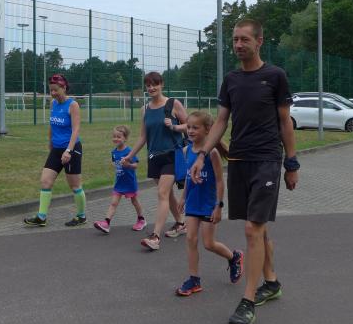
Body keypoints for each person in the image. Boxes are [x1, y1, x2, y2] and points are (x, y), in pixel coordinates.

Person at [189, 19, 299, 324]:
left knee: (252, 229)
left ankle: (248, 301)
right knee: (258, 228)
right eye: (235, 39)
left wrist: (291, 163)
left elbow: (285, 122)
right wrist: (201, 154)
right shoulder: (231, 80)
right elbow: (221, 121)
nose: (238, 44)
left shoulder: (275, 76)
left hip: (266, 160)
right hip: (238, 160)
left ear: (259, 41)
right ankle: (271, 282)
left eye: (244, 39)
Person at [175, 111, 243, 297]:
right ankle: (194, 280)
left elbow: (220, 182)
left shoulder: (212, 153)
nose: (190, 131)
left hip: (208, 204)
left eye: (195, 128)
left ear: (208, 130)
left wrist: (218, 206)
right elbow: (188, 177)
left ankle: (234, 257)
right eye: (188, 127)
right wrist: (183, 197)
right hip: (192, 203)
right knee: (190, 239)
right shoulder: (187, 150)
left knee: (208, 243)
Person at [121, 72, 187, 251]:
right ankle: (181, 223)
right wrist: (130, 156)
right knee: (167, 194)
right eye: (148, 85)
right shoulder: (145, 109)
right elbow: (143, 136)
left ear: (162, 84)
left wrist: (174, 126)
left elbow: (190, 126)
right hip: (154, 157)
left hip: (172, 155)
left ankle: (155, 236)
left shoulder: (173, 104)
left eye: (154, 84)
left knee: (162, 193)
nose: (151, 88)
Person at [23, 74, 87, 227]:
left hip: (71, 149)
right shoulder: (53, 104)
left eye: (55, 90)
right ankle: (41, 217)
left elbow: (76, 130)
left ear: (64, 88)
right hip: (56, 148)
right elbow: (52, 125)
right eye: (50, 90)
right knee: (45, 181)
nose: (53, 93)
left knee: (75, 186)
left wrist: (68, 151)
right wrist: (50, 142)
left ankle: (81, 216)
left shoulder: (73, 105)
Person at [93, 125, 147, 233]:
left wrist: (128, 165)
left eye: (119, 137)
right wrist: (116, 165)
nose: (116, 139)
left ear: (125, 138)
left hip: (129, 182)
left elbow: (135, 165)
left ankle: (141, 220)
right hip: (119, 183)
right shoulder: (114, 152)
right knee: (113, 203)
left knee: (135, 201)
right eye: (114, 136)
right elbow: (114, 162)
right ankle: (106, 223)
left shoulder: (129, 151)